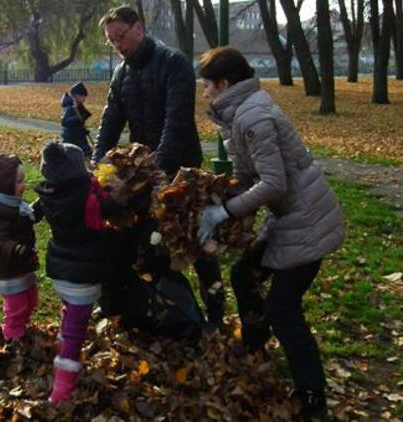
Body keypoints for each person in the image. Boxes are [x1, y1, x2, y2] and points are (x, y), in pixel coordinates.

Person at [197, 46, 345, 419]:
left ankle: (312, 397)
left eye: (207, 86)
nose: (204, 93)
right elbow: (252, 173)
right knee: (244, 273)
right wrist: (220, 193)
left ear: (224, 83)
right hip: (291, 219)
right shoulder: (244, 111)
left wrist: (226, 210)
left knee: (283, 309)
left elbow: (274, 184)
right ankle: (255, 345)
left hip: (306, 222)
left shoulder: (252, 117)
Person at [94, 5, 224, 330]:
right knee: (144, 242)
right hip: (146, 176)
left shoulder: (173, 63)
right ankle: (149, 305)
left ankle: (216, 314)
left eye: (121, 36)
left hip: (184, 172)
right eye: (112, 41)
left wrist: (160, 172)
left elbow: (176, 122)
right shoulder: (120, 74)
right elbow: (110, 121)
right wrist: (98, 168)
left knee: (198, 244)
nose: (118, 44)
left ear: (139, 27)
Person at [35, 141, 122, 403]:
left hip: (59, 271)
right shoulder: (89, 197)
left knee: (69, 310)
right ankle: (62, 388)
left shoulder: (47, 195)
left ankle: (66, 337)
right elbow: (115, 209)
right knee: (76, 331)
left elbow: (31, 213)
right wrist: (119, 191)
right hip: (84, 274)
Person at [0, 153, 42, 344]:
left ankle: (21, 327)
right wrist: (17, 249)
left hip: (21, 266)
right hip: (9, 270)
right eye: (19, 181)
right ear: (4, 185)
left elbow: (31, 216)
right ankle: (13, 338)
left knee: (30, 300)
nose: (24, 185)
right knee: (16, 307)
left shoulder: (16, 206)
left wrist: (43, 202)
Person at [60, 81, 93, 160]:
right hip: (72, 138)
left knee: (86, 154)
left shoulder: (79, 106)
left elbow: (80, 122)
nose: (84, 99)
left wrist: (83, 130)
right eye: (83, 96)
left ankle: (87, 168)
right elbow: (64, 122)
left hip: (79, 136)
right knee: (75, 155)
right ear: (77, 96)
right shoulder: (70, 108)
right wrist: (78, 119)